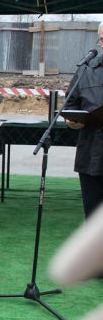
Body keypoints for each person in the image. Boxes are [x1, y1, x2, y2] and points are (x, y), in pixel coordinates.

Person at [63, 21, 103, 219]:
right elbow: (70, 105)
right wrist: (72, 120)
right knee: (93, 219)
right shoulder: (86, 70)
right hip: (91, 156)